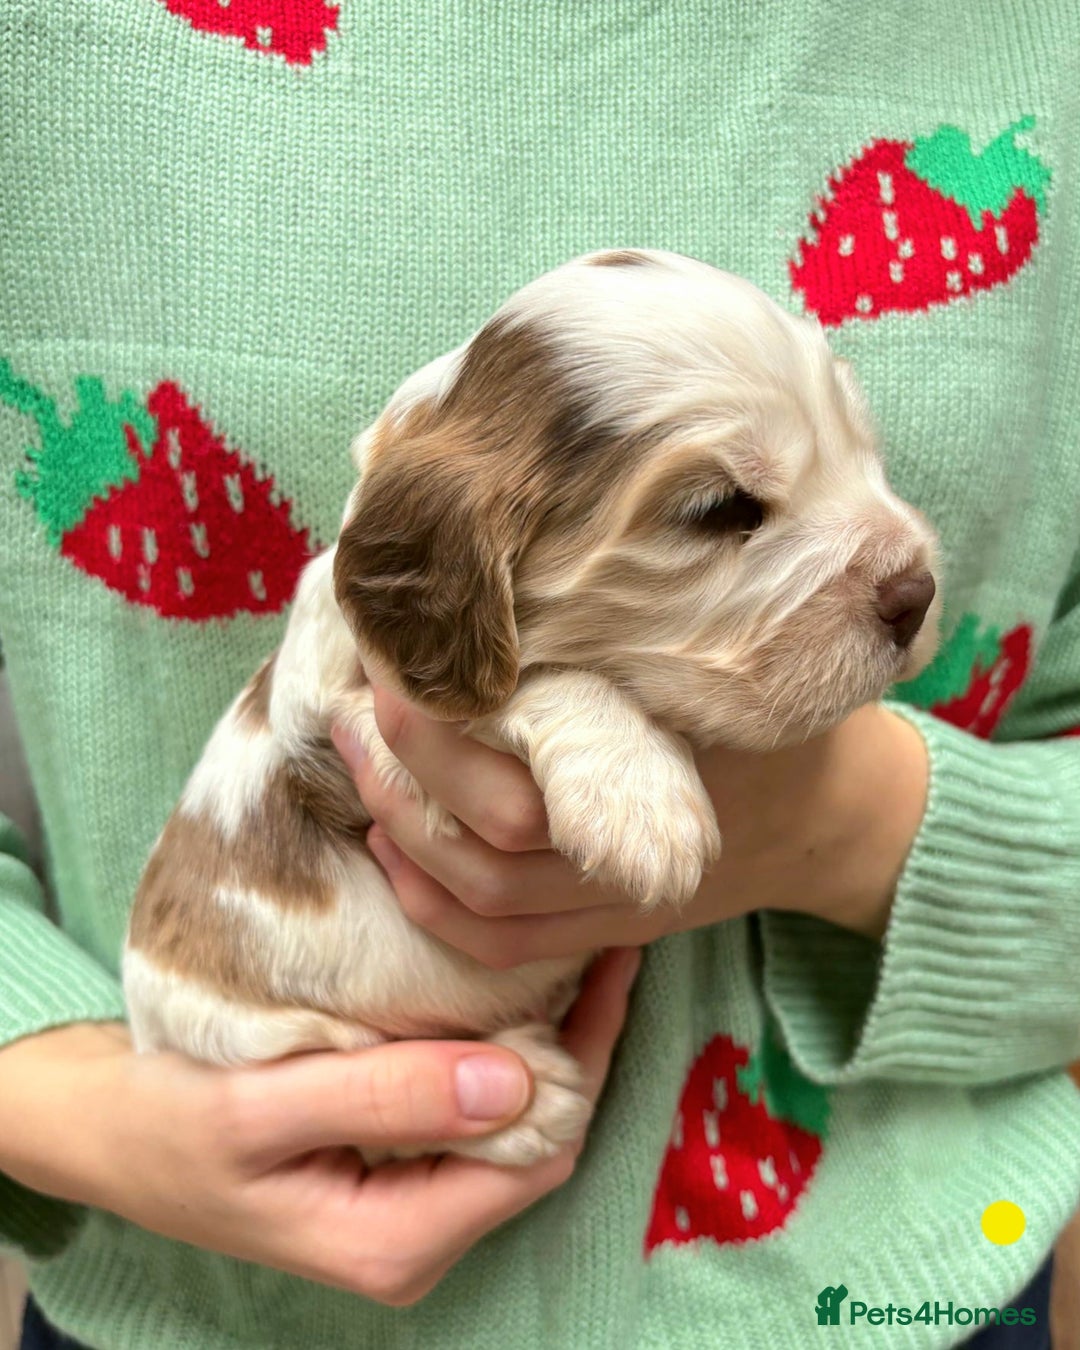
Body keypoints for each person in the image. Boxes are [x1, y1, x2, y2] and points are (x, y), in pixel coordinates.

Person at [1, 1, 1078, 1347]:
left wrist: (837, 824)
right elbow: (393, 623)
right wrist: (57, 1093)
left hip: (912, 1280)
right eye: (725, 511)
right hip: (198, 1291)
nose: (899, 558)